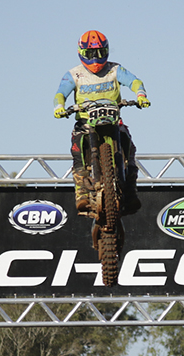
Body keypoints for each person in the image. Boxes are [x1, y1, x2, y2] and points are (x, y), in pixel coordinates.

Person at [53, 30, 150, 217]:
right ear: (81, 53)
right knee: (77, 150)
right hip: (86, 121)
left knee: (129, 146)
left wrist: (141, 95)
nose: (95, 58)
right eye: (90, 54)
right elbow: (61, 92)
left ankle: (130, 191)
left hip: (113, 119)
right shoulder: (74, 74)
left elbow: (134, 81)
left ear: (106, 51)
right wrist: (59, 106)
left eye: (98, 53)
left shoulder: (115, 70)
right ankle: (82, 193)